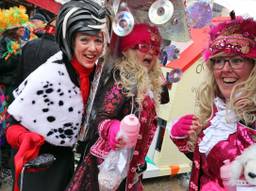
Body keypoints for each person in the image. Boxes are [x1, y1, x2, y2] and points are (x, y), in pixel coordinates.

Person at [5, 1, 109, 191]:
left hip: (67, 160)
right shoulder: (48, 75)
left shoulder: (97, 74)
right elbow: (11, 124)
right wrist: (24, 137)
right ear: (70, 40)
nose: (93, 48)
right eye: (85, 40)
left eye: (98, 40)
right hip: (39, 162)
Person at [66, 23, 170, 191]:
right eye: (143, 46)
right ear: (127, 50)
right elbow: (98, 117)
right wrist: (113, 129)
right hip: (106, 167)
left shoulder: (149, 83)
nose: (150, 52)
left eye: (155, 49)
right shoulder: (122, 80)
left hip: (129, 169)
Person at [169, 14, 256, 191]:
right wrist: (182, 137)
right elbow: (204, 160)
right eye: (218, 61)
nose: (225, 69)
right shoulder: (216, 107)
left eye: (236, 60)